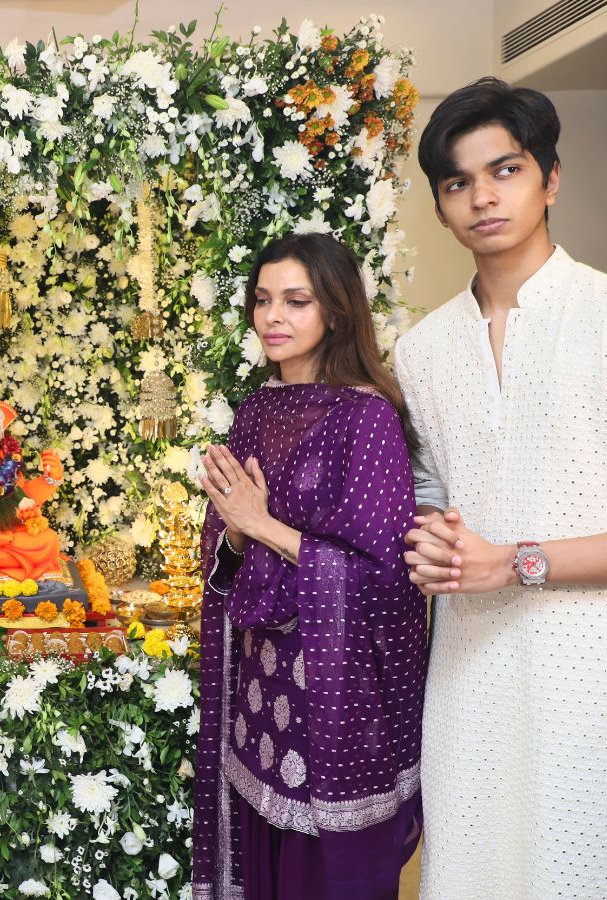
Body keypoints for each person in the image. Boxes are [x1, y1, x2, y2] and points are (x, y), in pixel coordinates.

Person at [397, 77, 607, 899]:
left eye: (505, 170)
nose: (482, 197)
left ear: (550, 178)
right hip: (467, 682)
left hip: (587, 682)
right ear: (441, 208)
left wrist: (514, 562)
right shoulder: (421, 351)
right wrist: (429, 543)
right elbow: (430, 498)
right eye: (458, 182)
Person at [190, 233, 427, 900]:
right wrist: (239, 533)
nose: (273, 316)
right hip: (263, 700)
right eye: (263, 299)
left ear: (336, 310)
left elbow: (386, 579)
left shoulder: (366, 416)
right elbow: (227, 551)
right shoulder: (258, 409)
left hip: (334, 701)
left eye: (296, 301)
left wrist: (263, 524)